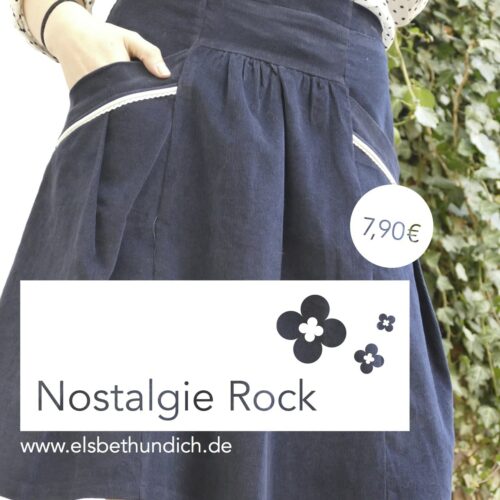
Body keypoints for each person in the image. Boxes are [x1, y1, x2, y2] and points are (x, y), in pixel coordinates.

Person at [1, 0, 454, 499]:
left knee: (356, 461)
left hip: (343, 123)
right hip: (172, 90)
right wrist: (63, 24)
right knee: (122, 457)